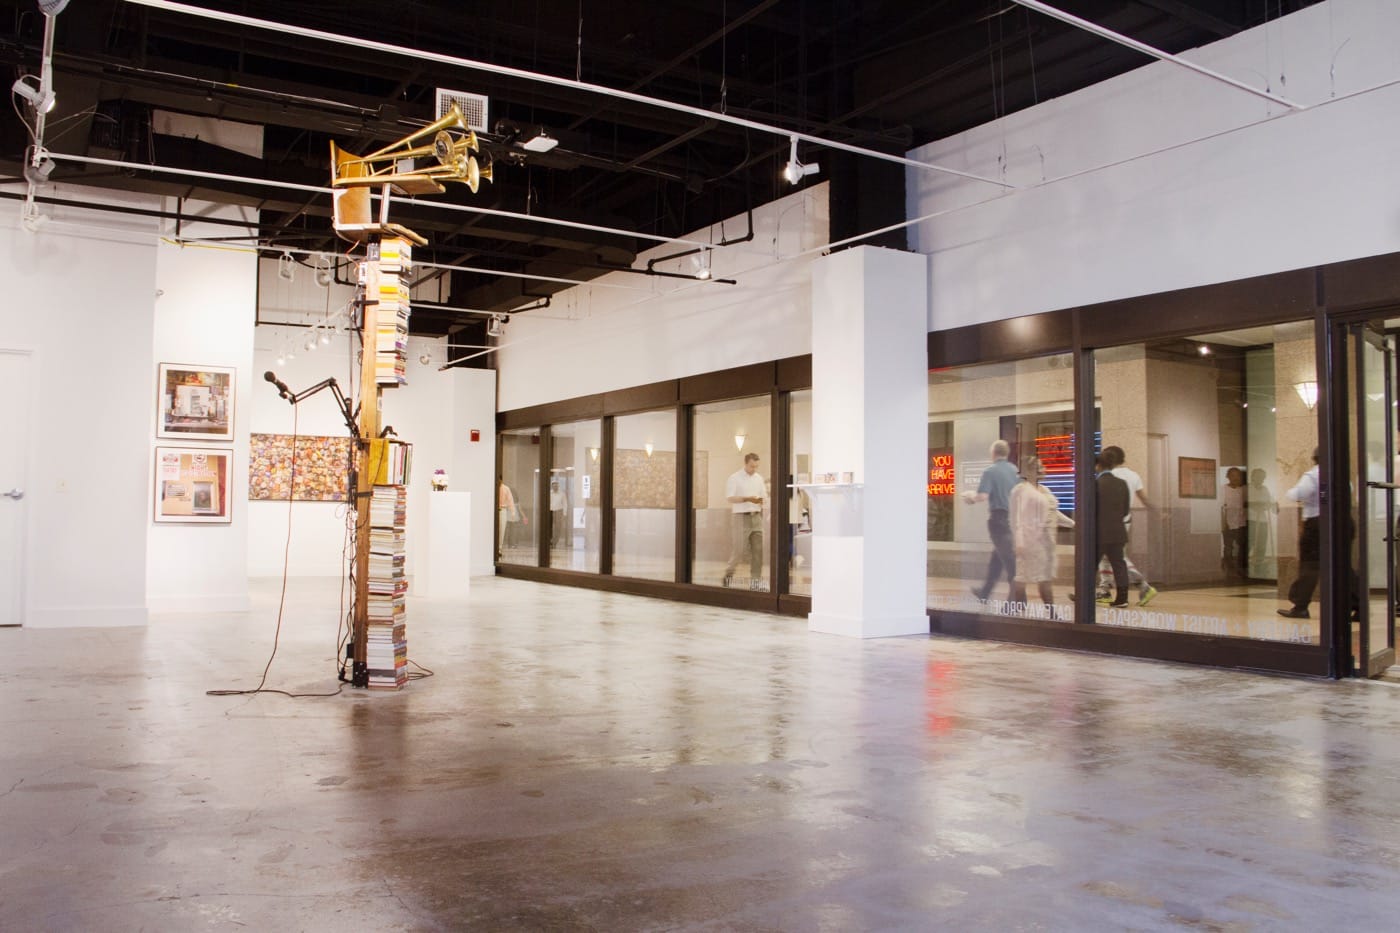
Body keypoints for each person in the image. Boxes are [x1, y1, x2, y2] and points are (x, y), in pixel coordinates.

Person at [1009, 456, 1075, 615]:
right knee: (1022, 576)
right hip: (1029, 541)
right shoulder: (1020, 491)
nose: (1044, 469)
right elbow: (1017, 517)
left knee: (1044, 577)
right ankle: (1021, 609)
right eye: (1040, 467)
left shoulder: (1045, 490)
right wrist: (1019, 541)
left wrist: (1073, 524)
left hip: (1046, 542)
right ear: (1030, 471)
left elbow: (1053, 512)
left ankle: (1050, 611)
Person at [1098, 445, 1159, 605]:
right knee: (1108, 558)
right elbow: (1144, 499)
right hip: (1124, 521)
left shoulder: (1109, 475)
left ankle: (1142, 585)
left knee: (1117, 557)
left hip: (1107, 522)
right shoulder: (1134, 475)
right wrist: (1158, 512)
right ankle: (1104, 590)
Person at [962, 439, 1019, 601]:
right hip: (1011, 519)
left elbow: (983, 496)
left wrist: (970, 497)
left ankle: (1018, 598)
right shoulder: (1014, 470)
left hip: (998, 519)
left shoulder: (990, 471)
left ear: (993, 453)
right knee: (998, 557)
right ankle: (985, 592)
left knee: (1009, 561)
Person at [1279, 448, 1320, 619]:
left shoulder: (1313, 475)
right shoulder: (1340, 474)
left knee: (1309, 566)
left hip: (1317, 524)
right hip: (1342, 522)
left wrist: (1290, 492)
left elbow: (1297, 493)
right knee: (1342, 566)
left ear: (1314, 458)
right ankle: (1357, 603)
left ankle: (1300, 606)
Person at [723, 452, 767, 590]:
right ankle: (729, 574)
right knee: (739, 550)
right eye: (751, 466)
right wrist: (748, 498)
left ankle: (755, 581)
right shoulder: (734, 478)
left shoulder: (759, 478)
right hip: (740, 517)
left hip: (756, 516)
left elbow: (763, 497)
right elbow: (729, 498)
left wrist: (760, 501)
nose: (754, 469)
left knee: (758, 551)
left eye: (756, 466)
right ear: (745, 463)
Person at [1096, 455, 1132, 610]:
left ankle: (1083, 595)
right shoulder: (1122, 483)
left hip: (1098, 533)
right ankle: (1122, 599)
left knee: (1090, 565)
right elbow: (1125, 510)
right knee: (1119, 565)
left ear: (1098, 466)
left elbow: (1091, 510)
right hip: (1118, 532)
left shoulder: (1095, 484)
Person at [1246, 467, 1276, 576]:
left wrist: (1269, 505)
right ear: (1253, 477)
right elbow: (1246, 503)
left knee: (1261, 545)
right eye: (1258, 476)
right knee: (1249, 544)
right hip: (1251, 520)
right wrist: (1256, 504)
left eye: (1263, 477)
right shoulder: (1247, 488)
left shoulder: (1265, 489)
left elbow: (1270, 502)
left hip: (1263, 520)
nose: (1261, 479)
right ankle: (1245, 568)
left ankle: (1258, 567)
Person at [1220, 466, 1248, 580]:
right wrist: (1224, 522)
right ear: (1228, 477)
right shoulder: (1223, 489)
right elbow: (1222, 507)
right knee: (1228, 547)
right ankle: (1229, 569)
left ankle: (1241, 569)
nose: (1235, 478)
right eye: (1233, 475)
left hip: (1241, 522)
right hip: (1228, 522)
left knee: (1243, 547)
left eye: (1238, 475)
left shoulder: (1243, 490)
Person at [497, 478, 515, 558]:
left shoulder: (506, 488)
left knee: (501, 530)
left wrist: (512, 512)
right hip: (493, 510)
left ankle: (499, 549)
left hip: (502, 510)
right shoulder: (493, 487)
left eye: (499, 480)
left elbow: (510, 500)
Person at [550, 478, 567, 547]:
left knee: (558, 527)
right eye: (554, 485)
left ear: (558, 486)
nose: (555, 487)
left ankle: (555, 542)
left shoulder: (562, 494)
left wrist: (564, 514)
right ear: (552, 486)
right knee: (550, 527)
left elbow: (565, 503)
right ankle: (550, 541)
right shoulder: (549, 493)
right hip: (551, 511)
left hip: (559, 511)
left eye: (556, 485)